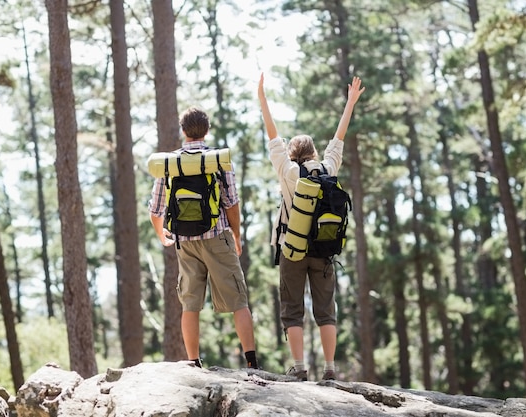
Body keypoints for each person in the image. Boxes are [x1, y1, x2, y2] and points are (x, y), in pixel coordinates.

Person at [258, 73, 365, 381]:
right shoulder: (328, 169)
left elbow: (272, 135)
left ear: (292, 154)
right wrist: (350, 102)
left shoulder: (288, 170)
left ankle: (299, 367)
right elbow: (338, 139)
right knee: (325, 310)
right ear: (315, 153)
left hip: (292, 250)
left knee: (292, 310)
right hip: (323, 249)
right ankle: (331, 369)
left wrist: (263, 99)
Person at [148, 107, 259, 369]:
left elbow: (155, 209)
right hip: (217, 235)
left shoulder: (170, 164)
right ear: (206, 130)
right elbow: (232, 204)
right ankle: (252, 363)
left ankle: (193, 362)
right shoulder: (217, 159)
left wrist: (162, 235)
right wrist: (237, 236)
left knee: (190, 303)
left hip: (184, 241)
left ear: (183, 130)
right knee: (238, 300)